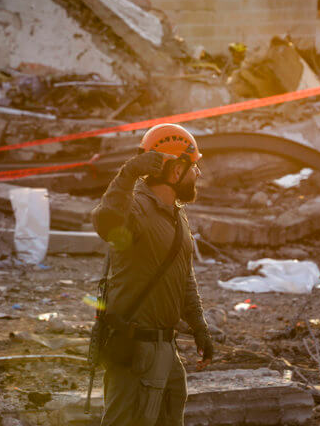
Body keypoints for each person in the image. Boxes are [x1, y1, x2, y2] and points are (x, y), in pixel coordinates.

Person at [91, 123, 214, 426]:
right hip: (135, 350)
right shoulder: (136, 210)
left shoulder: (176, 215)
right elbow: (107, 222)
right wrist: (128, 173)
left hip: (166, 349)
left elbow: (184, 276)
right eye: (193, 166)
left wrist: (199, 326)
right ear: (176, 171)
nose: (198, 173)